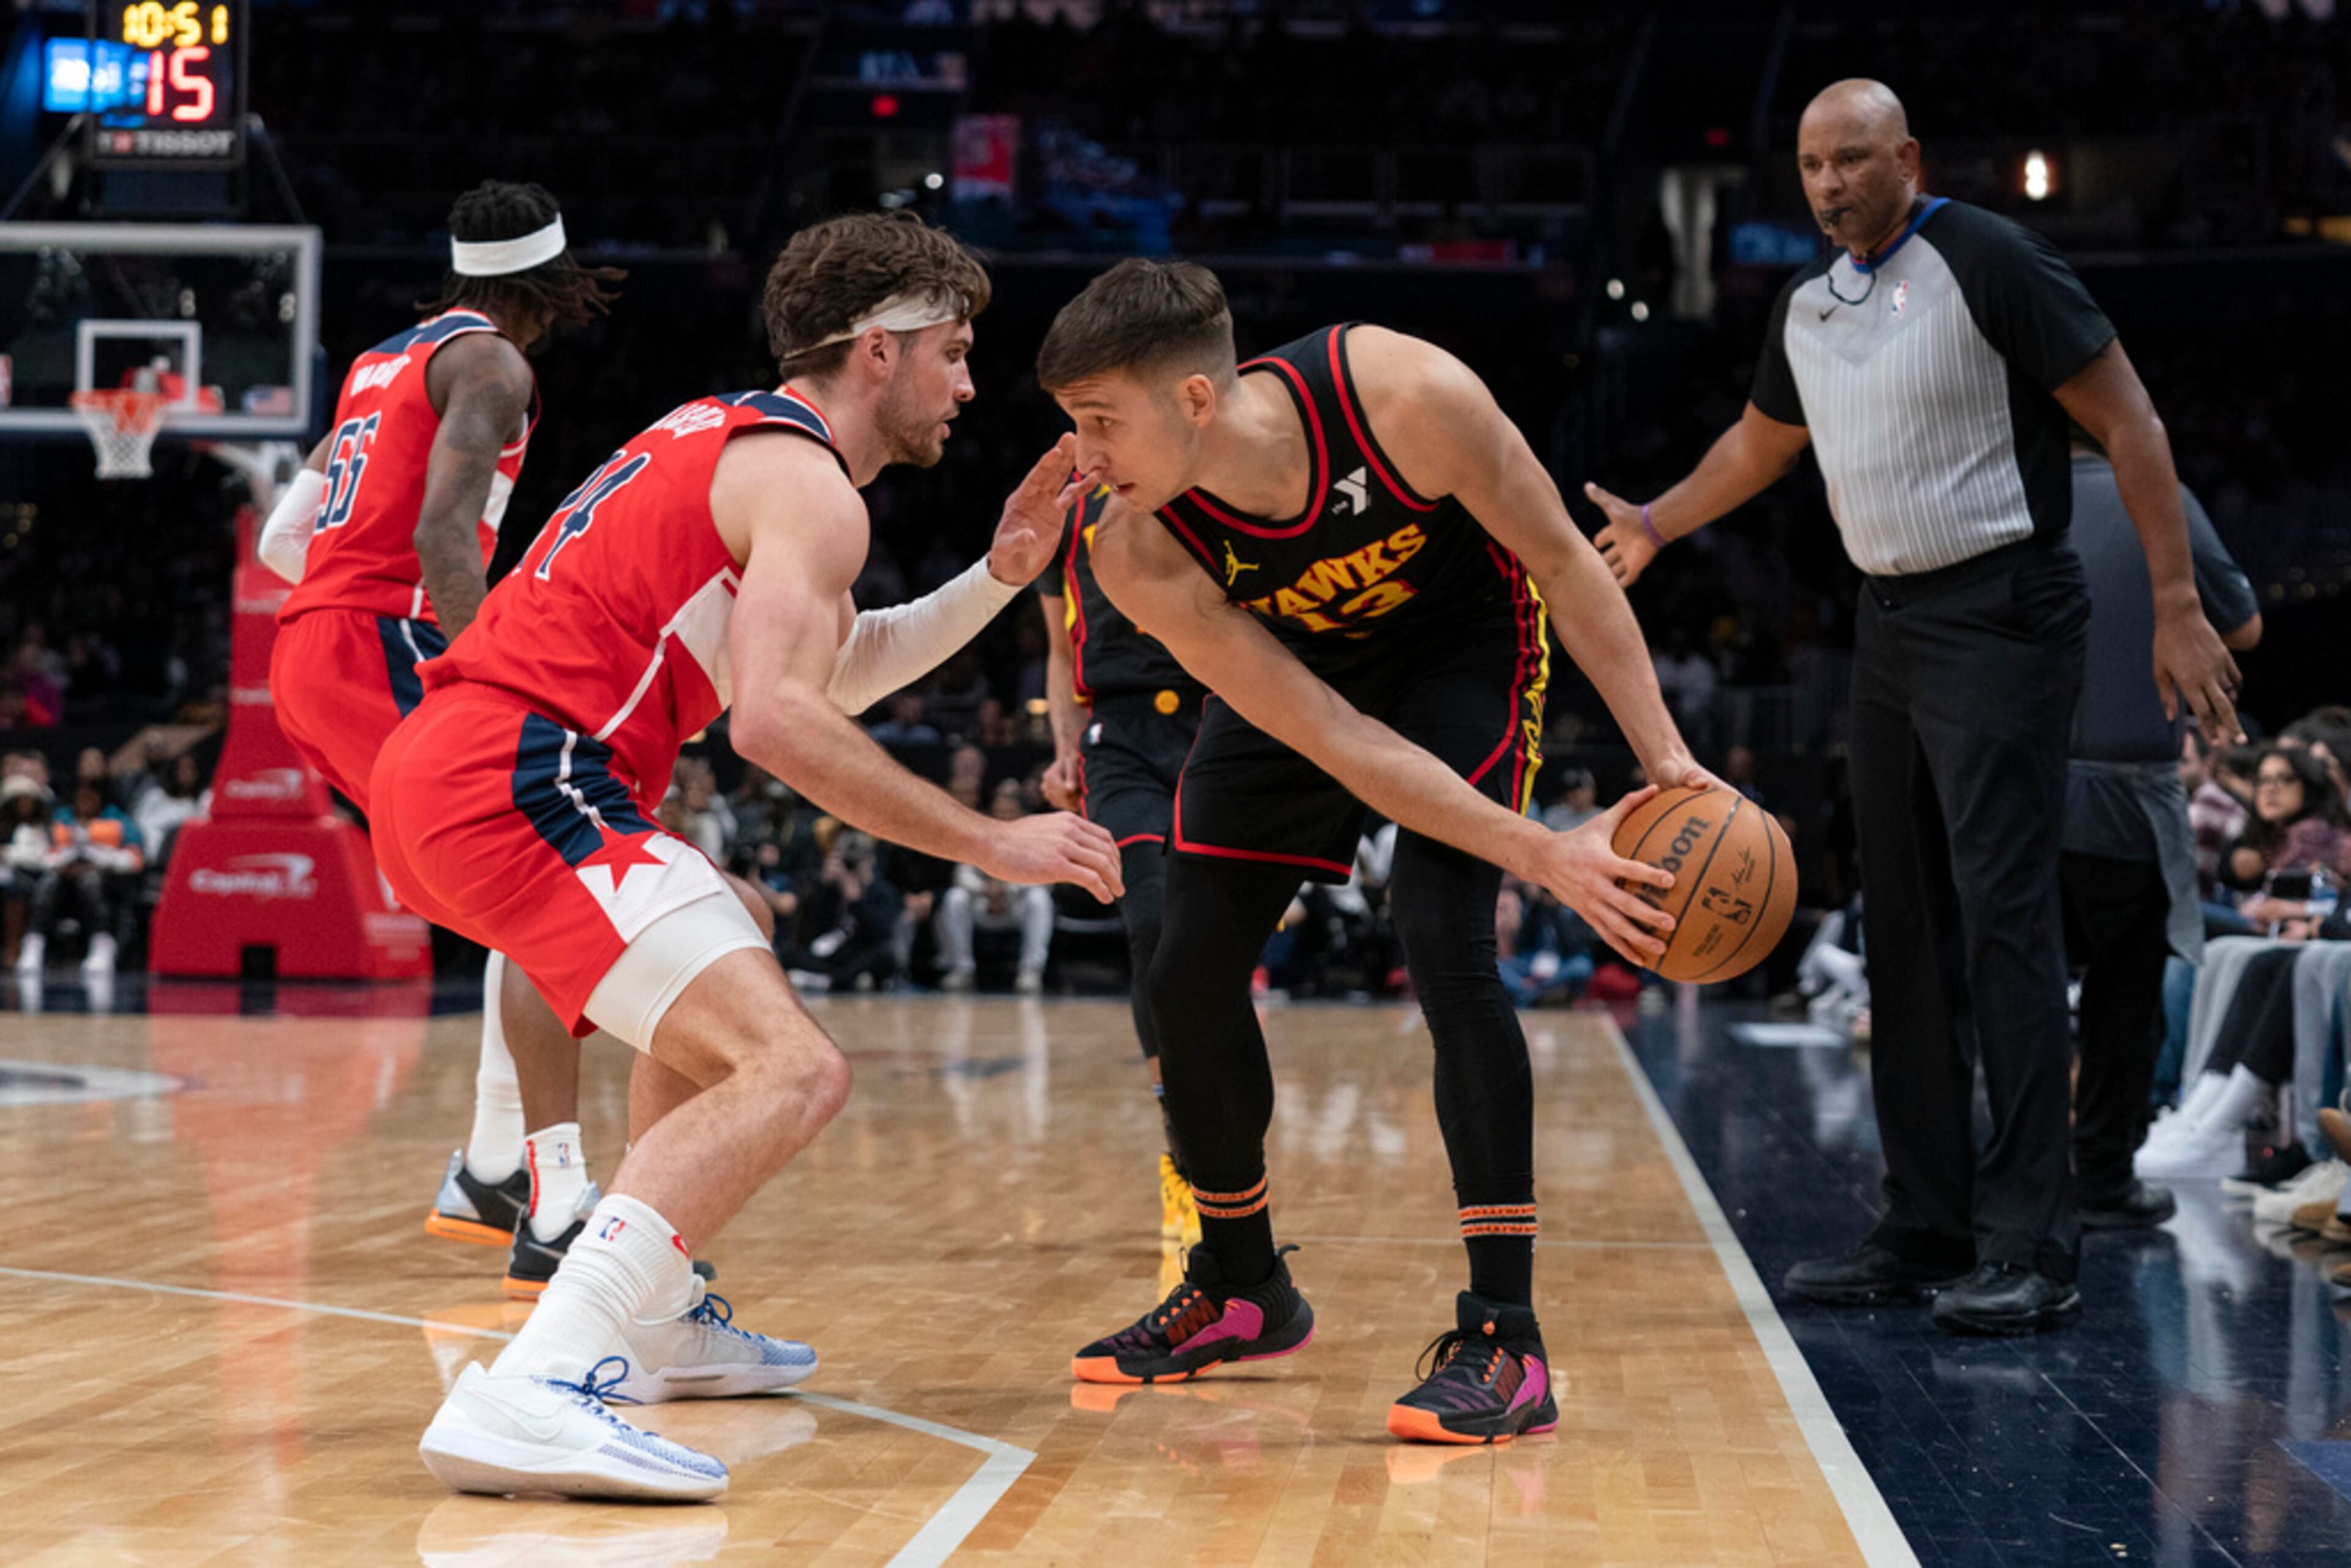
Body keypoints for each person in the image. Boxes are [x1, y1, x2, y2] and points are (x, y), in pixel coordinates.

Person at [375, 211, 1121, 1499]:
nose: (968, 383)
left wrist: (1002, 575)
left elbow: (828, 670)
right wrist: (991, 839)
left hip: (459, 767)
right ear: (878, 350)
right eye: (953, 352)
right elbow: (777, 720)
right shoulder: (812, 490)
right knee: (793, 1067)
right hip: (520, 777)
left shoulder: (737, 443)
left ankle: (657, 1318)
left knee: (741, 919)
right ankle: (536, 1382)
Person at [1585, 80, 2242, 1335]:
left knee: (2004, 917)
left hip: (2005, 605)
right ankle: (1926, 1220)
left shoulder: (1991, 259)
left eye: (1852, 159)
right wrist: (1659, 521)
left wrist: (2175, 602)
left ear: (1908, 159)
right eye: (1811, 166)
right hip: (1888, 620)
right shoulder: (1807, 304)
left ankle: (2033, 1241)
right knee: (1903, 925)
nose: (1829, 184)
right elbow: (1760, 443)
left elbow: (2131, 420)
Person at [1036, 258, 1703, 1446]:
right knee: (1183, 970)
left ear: (1195, 397)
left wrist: (1669, 765)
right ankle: (1242, 1281)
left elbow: (1561, 560)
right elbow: (1336, 738)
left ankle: (1507, 1338)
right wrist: (1541, 851)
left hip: (1464, 645)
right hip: (1309, 681)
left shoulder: (1402, 396)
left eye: (1100, 422)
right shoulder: (1134, 549)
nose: (1081, 458)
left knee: (1445, 937)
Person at [260, 181, 632, 1296]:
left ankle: (495, 1167)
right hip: (384, 642)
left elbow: (284, 537)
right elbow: (438, 532)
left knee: (514, 887)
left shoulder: (381, 362)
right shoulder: (495, 368)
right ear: (553, 282)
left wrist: (350, 607)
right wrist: (485, 670)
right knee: (544, 871)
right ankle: (539, 1193)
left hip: (310, 648)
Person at [2057, 430, 2260, 1227]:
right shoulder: (2161, 500)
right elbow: (2243, 628)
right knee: (2124, 994)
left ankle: (2007, 1181)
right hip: (2126, 793)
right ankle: (2103, 1178)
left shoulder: (2004, 503)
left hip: (2013, 790)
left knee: (2011, 991)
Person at [1037, 479, 1208, 1242]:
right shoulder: (1067, 511)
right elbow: (1057, 649)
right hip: (1119, 739)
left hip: (1216, 715)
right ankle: (1181, 1132)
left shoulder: (1198, 480)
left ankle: (1225, 1129)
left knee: (1208, 939)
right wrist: (1062, 746)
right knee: (1149, 921)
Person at [936, 779, 1060, 992]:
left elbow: (1046, 879)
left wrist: (1006, 889)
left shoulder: (1034, 839)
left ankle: (1031, 971)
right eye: (999, 812)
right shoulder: (980, 835)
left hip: (1016, 906)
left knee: (1039, 899)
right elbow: (961, 874)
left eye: (1010, 812)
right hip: (984, 904)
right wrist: (985, 889)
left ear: (1021, 815)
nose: (1004, 818)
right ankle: (962, 970)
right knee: (955, 898)